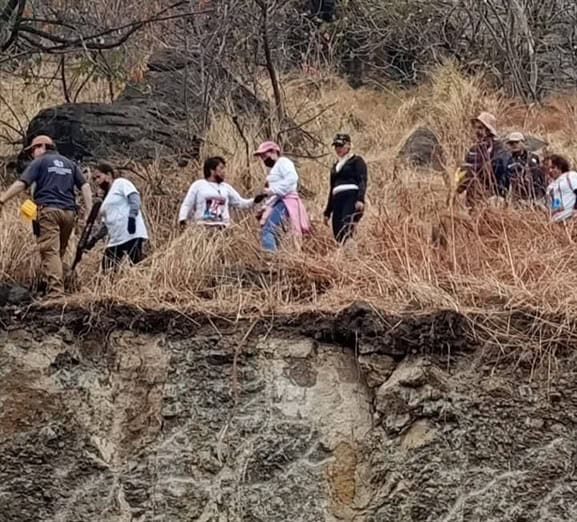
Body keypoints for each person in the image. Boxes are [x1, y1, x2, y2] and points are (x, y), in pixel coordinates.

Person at [0, 135, 92, 297]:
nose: (32, 155)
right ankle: (68, 283)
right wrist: (90, 211)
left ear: (42, 146)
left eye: (33, 150)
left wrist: (2, 200)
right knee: (58, 253)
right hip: (69, 214)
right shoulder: (69, 163)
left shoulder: (40, 161)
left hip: (48, 211)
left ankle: (56, 293)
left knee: (49, 252)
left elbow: (22, 183)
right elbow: (85, 185)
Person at [85, 162, 149, 272]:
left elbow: (134, 198)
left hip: (130, 233)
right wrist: (94, 239)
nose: (97, 181)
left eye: (99, 177)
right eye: (95, 179)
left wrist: (132, 218)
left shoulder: (120, 183)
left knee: (137, 265)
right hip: (116, 238)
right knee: (107, 268)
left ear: (109, 175)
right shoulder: (106, 198)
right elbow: (106, 225)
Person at [253, 141, 310, 251]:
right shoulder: (275, 168)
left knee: (268, 229)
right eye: (262, 157)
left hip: (286, 202)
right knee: (278, 233)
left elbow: (292, 178)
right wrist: (265, 203)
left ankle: (271, 258)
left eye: (265, 156)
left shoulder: (283, 162)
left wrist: (270, 191)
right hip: (280, 201)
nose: (264, 160)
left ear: (274, 152)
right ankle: (279, 258)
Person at [178, 156, 265, 228]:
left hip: (223, 229)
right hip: (202, 228)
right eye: (221, 168)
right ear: (212, 170)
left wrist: (255, 200)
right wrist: (182, 219)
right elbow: (187, 204)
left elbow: (240, 203)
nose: (224, 171)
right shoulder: (198, 185)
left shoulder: (225, 187)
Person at [457, 112, 512, 206]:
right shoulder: (473, 149)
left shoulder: (500, 149)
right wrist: (458, 190)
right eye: (476, 127)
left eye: (480, 128)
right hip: (472, 199)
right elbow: (464, 172)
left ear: (489, 130)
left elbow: (501, 174)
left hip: (493, 199)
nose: (477, 131)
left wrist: (497, 196)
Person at [323, 133, 367, 243]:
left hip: (351, 196)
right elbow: (331, 188)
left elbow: (362, 180)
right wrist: (327, 212)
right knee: (337, 230)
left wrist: (360, 198)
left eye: (340, 146)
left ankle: (351, 254)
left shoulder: (356, 160)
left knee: (347, 226)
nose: (338, 149)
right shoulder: (335, 166)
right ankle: (344, 252)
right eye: (336, 146)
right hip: (337, 199)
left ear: (348, 145)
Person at [505, 132, 545, 201]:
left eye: (516, 142)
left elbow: (539, 176)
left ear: (523, 142)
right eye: (511, 143)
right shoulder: (509, 160)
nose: (514, 145)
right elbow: (507, 181)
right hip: (517, 195)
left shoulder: (533, 157)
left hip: (534, 193)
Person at [544, 154, 577, 223]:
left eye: (553, 167)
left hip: (571, 217)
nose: (550, 171)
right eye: (549, 168)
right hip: (558, 221)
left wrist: (576, 210)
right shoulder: (552, 186)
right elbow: (556, 203)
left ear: (560, 166)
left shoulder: (570, 176)